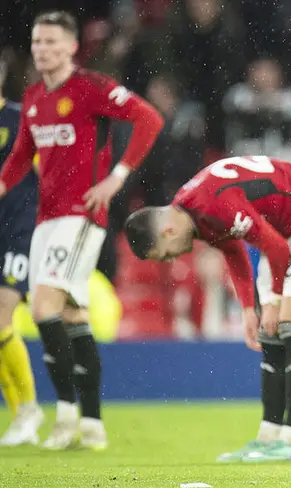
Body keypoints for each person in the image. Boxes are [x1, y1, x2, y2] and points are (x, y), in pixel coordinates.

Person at [0, 11, 164, 450]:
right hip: (45, 220)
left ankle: (65, 416)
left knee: (43, 308)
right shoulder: (34, 97)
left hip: (80, 215)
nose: (43, 49)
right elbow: (20, 157)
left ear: (72, 47)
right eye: (37, 42)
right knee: (72, 317)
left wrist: (117, 177)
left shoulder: (92, 87)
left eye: (52, 42)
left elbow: (149, 118)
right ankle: (91, 424)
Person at [124, 155, 291, 462]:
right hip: (284, 230)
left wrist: (273, 301)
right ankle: (268, 438)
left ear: (168, 232)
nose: (172, 259)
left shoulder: (213, 204)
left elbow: (277, 249)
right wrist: (248, 309)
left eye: (165, 254)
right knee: (271, 336)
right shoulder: (191, 209)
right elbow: (232, 248)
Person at [0, 61, 44, 446]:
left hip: (18, 231)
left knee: (1, 315)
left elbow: (51, 170)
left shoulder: (20, 118)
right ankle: (21, 415)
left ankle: (28, 410)